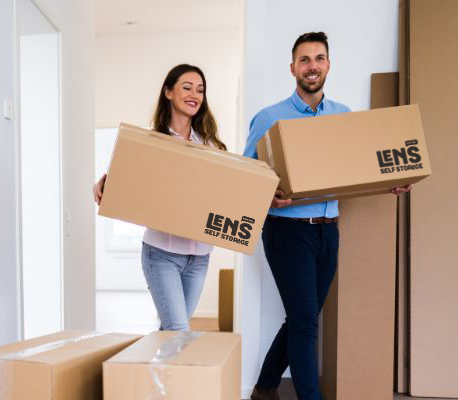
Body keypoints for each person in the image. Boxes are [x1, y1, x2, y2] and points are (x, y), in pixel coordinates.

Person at [244, 32, 412, 400]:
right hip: (286, 231)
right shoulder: (270, 118)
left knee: (301, 320)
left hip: (328, 230)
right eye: (304, 60)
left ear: (329, 65)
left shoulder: (343, 116)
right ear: (292, 68)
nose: (312, 66)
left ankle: (265, 387)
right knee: (306, 324)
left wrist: (391, 184)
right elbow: (245, 176)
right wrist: (268, 195)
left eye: (319, 58)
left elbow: (356, 171)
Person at [93, 64, 227, 331]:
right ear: (168, 92)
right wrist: (106, 184)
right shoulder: (152, 142)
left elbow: (223, 191)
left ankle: (150, 373)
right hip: (161, 254)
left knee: (171, 331)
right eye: (186, 87)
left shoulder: (210, 145)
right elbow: (128, 183)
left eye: (200, 90)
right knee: (178, 330)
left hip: (199, 256)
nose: (194, 95)